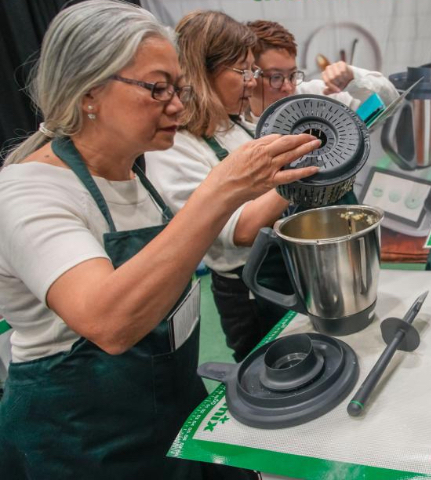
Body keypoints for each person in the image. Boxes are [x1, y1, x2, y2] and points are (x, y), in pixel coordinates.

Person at [0, 2, 319, 478]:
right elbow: (109, 321)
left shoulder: (136, 176)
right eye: (157, 89)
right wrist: (221, 190)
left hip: (166, 409)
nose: (177, 105)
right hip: (82, 440)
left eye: (180, 88)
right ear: (89, 91)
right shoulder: (28, 190)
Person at [146, 11, 300, 363]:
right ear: (204, 70)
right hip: (249, 290)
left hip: (286, 271)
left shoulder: (238, 127)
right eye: (243, 71)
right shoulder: (176, 148)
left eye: (253, 72)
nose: (251, 82)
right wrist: (298, 173)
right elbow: (242, 230)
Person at [245, 20, 399, 118]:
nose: (288, 87)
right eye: (276, 77)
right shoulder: (234, 128)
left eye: (292, 75)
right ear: (250, 75)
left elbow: (390, 104)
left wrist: (354, 78)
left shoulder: (319, 97)